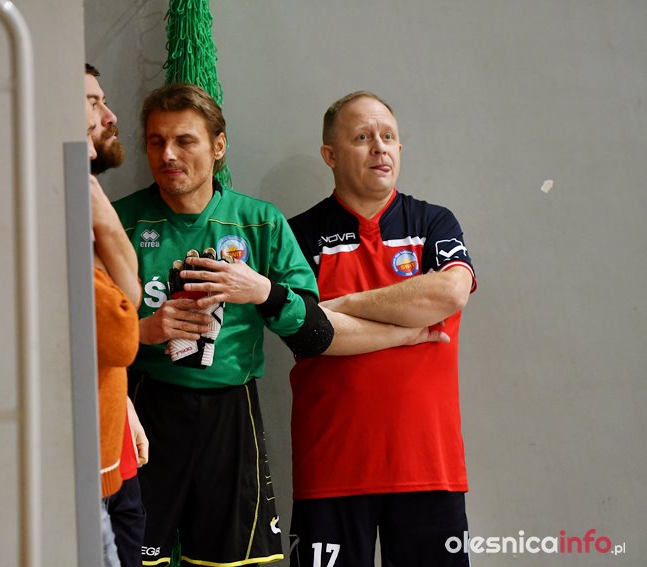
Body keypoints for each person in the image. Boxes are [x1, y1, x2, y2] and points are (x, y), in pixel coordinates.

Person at [112, 83, 446, 567]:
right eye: (156, 141)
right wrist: (145, 329)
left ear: (218, 146)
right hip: (143, 407)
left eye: (185, 141)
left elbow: (314, 332)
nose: (168, 155)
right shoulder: (120, 222)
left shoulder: (260, 222)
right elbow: (79, 330)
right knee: (129, 559)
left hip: (232, 414)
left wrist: (261, 291)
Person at [287, 91, 477, 567]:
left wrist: (344, 306)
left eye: (388, 137)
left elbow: (450, 293)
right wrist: (405, 329)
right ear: (330, 155)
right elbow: (310, 333)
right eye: (362, 137)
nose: (380, 148)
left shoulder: (434, 222)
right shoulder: (298, 235)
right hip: (331, 470)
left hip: (429, 469)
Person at [87, 63, 148, 567]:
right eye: (92, 103)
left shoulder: (89, 196)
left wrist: (124, 403)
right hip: (87, 469)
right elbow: (122, 331)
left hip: (115, 447)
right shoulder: (60, 200)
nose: (107, 116)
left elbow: (129, 295)